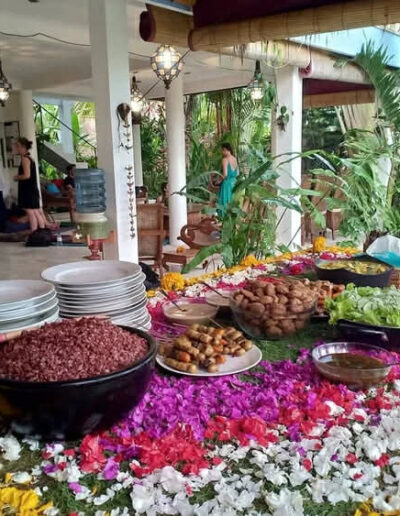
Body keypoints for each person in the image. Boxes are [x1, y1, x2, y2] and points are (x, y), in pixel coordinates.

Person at [13, 137, 47, 232]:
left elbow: (27, 175)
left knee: (31, 212)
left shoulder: (25, 159)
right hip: (31, 189)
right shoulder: (29, 158)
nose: (16, 148)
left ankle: (35, 233)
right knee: (35, 212)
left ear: (23, 147)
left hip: (28, 190)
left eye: (18, 146)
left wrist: (17, 177)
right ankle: (40, 232)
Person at [217, 142, 238, 216]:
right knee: (231, 202)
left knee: (224, 202)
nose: (222, 152)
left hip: (227, 185)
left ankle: (223, 219)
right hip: (234, 183)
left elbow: (225, 174)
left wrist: (219, 180)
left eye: (222, 150)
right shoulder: (234, 159)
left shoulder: (225, 160)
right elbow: (237, 173)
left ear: (225, 150)